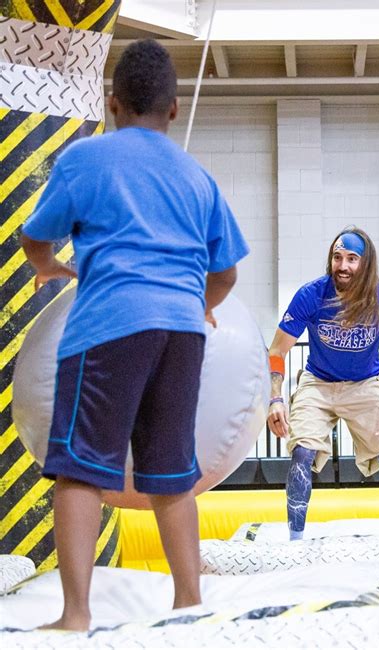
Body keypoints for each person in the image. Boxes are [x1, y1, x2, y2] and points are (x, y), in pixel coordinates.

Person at [21, 39, 249, 631]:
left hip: (110, 326)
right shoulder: (198, 178)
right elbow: (225, 273)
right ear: (173, 110)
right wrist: (196, 307)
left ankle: (75, 615)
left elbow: (35, 237)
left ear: (112, 102)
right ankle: (188, 602)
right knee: (173, 472)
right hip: (181, 333)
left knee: (80, 469)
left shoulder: (85, 160)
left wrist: (48, 267)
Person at [267, 227, 379, 540]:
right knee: (301, 454)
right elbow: (277, 350)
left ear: (366, 264)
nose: (343, 265)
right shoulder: (312, 295)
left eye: (351, 258)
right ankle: (295, 541)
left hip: (366, 384)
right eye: (337, 257)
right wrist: (275, 398)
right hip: (318, 383)